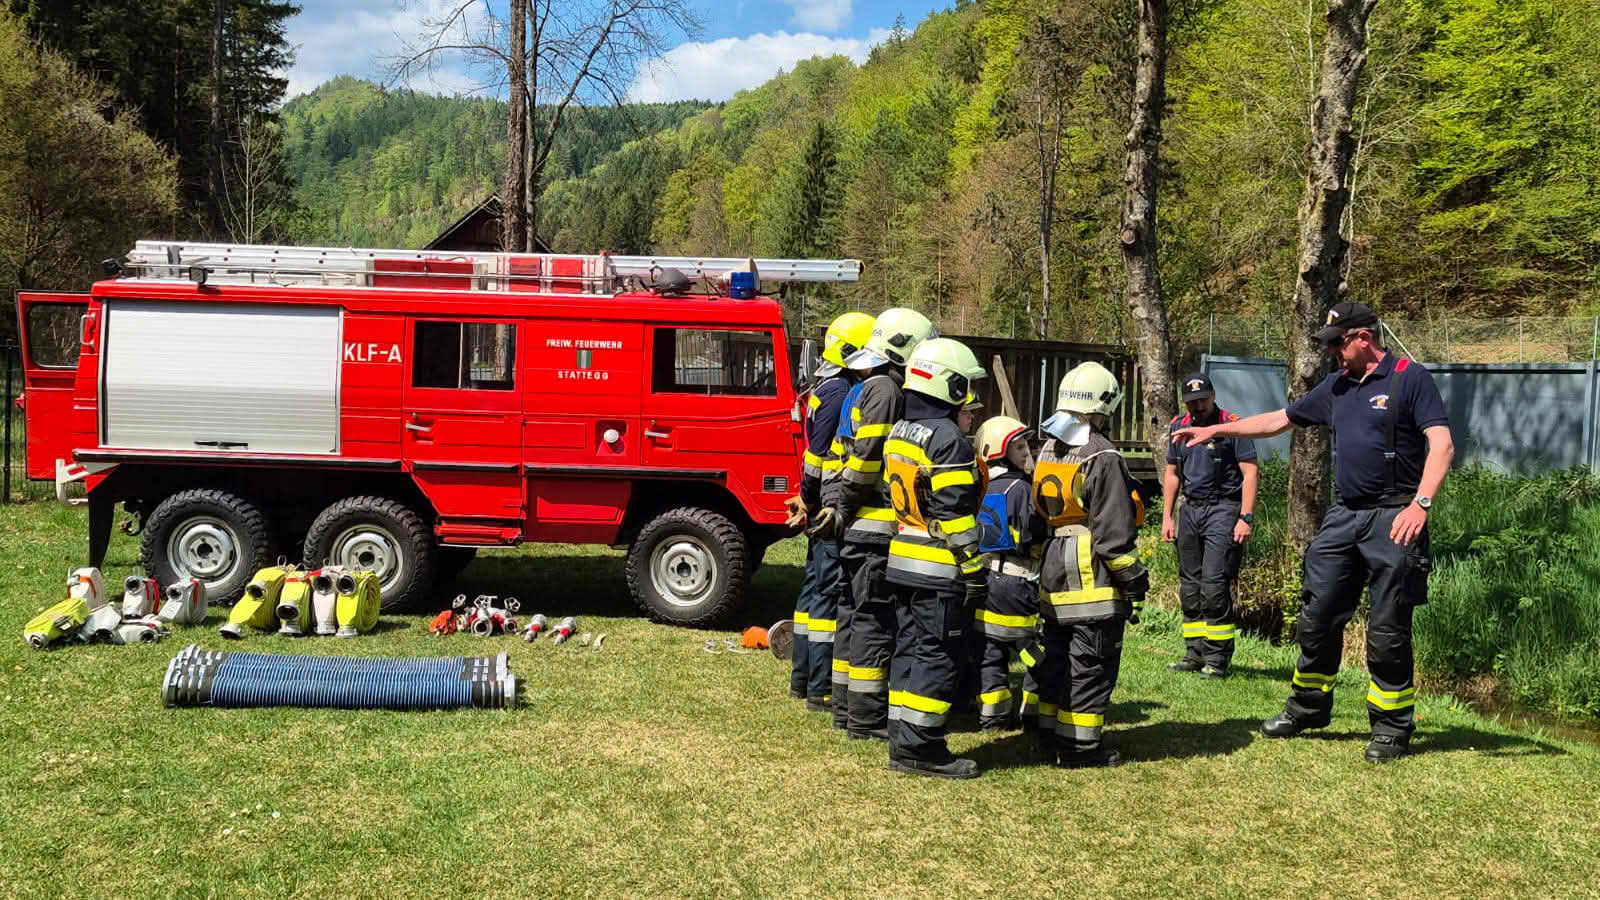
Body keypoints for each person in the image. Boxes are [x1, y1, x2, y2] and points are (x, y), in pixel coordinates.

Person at [1172, 301, 1453, 763]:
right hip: (1345, 516)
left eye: (1338, 343)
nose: (1333, 353)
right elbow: (1279, 419)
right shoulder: (1336, 385)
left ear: (1364, 337)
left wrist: (1420, 505)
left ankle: (1391, 728)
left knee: (1387, 628)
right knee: (1316, 616)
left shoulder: (1409, 378)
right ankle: (1308, 707)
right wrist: (1217, 431)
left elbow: (1441, 445)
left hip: (1395, 514)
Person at [813, 307, 936, 740]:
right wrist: (843, 505)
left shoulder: (862, 387)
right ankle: (864, 718)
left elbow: (835, 456)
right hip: (873, 526)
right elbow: (865, 460)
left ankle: (846, 709)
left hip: (855, 523)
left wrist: (834, 505)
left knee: (853, 615)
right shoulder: (885, 389)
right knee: (873, 620)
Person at [1024, 362, 1149, 768]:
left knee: (1056, 658)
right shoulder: (1103, 454)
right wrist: (1134, 580)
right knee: (1090, 664)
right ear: (1104, 405)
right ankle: (1079, 747)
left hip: (1053, 568)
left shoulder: (1048, 448)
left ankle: (1047, 732)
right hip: (1090, 576)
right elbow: (1113, 534)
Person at [882, 337, 988, 777]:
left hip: (902, 561)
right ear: (950, 384)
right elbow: (955, 512)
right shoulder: (948, 438)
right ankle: (922, 749)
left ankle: (902, 738)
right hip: (938, 566)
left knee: (908, 650)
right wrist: (974, 568)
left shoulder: (899, 431)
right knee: (937, 655)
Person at [788, 311, 875, 709]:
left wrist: (806, 496)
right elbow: (820, 457)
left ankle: (802, 679)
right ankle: (818, 687)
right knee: (826, 594)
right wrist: (812, 500)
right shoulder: (842, 392)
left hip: (817, 500)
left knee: (812, 592)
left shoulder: (826, 386)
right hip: (829, 505)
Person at [1162, 373, 1257, 679]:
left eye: (1203, 400)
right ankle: (1194, 653)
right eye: (1192, 402)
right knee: (1190, 587)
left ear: (1213, 396)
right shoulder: (1178, 426)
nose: (1198, 406)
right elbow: (1172, 474)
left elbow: (1250, 473)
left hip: (1223, 509)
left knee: (1214, 586)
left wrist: (1245, 517)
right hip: (1190, 510)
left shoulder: (1232, 425)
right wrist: (1167, 516)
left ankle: (1217, 659)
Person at [972, 416, 1045, 731]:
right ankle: (1033, 713)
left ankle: (992, 716)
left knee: (991, 651)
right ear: (998, 450)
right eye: (1018, 446)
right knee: (1034, 650)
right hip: (1019, 582)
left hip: (987, 579)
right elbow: (1033, 534)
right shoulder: (1023, 489)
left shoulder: (980, 487)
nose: (1026, 451)